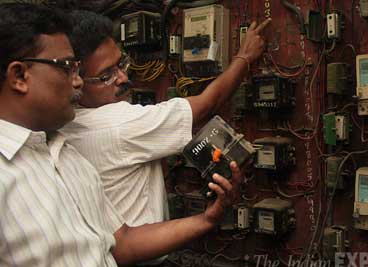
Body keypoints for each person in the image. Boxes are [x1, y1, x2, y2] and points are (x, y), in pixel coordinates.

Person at [0, 3, 241, 266]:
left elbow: (119, 242)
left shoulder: (67, 157)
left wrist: (206, 219)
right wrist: (245, 57)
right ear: (19, 76)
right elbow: (205, 104)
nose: (77, 81)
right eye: (66, 67)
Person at [60, 10, 269, 227]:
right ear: (75, 81)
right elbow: (207, 104)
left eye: (121, 64)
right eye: (106, 76)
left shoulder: (62, 123)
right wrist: (245, 57)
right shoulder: (119, 123)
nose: (122, 78)